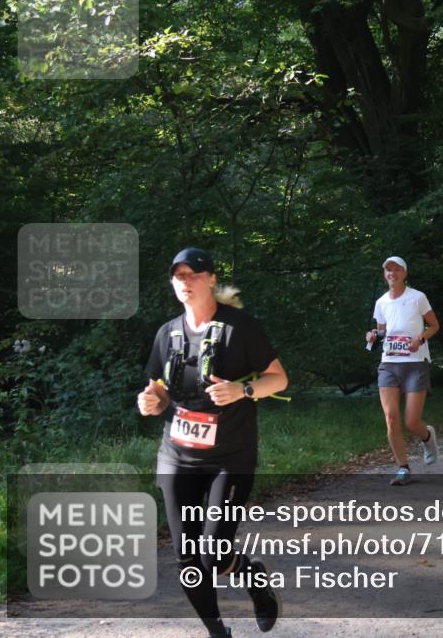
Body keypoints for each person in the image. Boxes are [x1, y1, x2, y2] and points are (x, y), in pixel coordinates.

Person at [137, 248, 288, 638]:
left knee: (213, 554)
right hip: (177, 455)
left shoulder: (240, 328)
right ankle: (217, 632)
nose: (185, 281)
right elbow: (158, 389)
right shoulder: (167, 333)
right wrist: (150, 400)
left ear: (211, 279)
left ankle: (254, 578)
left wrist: (243, 390)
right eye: (179, 275)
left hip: (229, 457)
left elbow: (279, 378)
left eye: (193, 274)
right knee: (187, 558)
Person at [365, 257, 440, 486]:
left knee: (411, 422)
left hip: (415, 362)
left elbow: (434, 325)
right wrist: (373, 336)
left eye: (397, 269)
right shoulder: (381, 302)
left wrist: (420, 339)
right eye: (388, 270)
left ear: (405, 273)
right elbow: (381, 331)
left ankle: (427, 436)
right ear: (384, 274)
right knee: (390, 417)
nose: (392, 273)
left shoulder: (417, 297)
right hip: (389, 364)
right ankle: (403, 468)